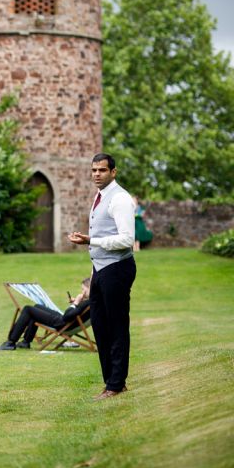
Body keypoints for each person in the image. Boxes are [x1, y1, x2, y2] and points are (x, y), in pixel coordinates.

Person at [68, 153, 137, 401]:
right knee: (99, 324)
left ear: (113, 172)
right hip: (101, 270)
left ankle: (116, 384)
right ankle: (111, 381)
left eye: (102, 170)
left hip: (117, 269)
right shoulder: (100, 196)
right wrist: (93, 268)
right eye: (94, 170)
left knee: (116, 325)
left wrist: (91, 240)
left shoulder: (119, 199)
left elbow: (127, 239)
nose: (97, 174)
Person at [0, 277, 91, 350]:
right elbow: (75, 313)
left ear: (89, 288)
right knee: (37, 306)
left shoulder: (87, 303)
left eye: (83, 289)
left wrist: (76, 303)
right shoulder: (91, 301)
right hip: (65, 322)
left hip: (62, 324)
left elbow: (67, 316)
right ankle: (25, 342)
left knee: (27, 309)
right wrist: (78, 302)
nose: (82, 292)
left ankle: (11, 342)